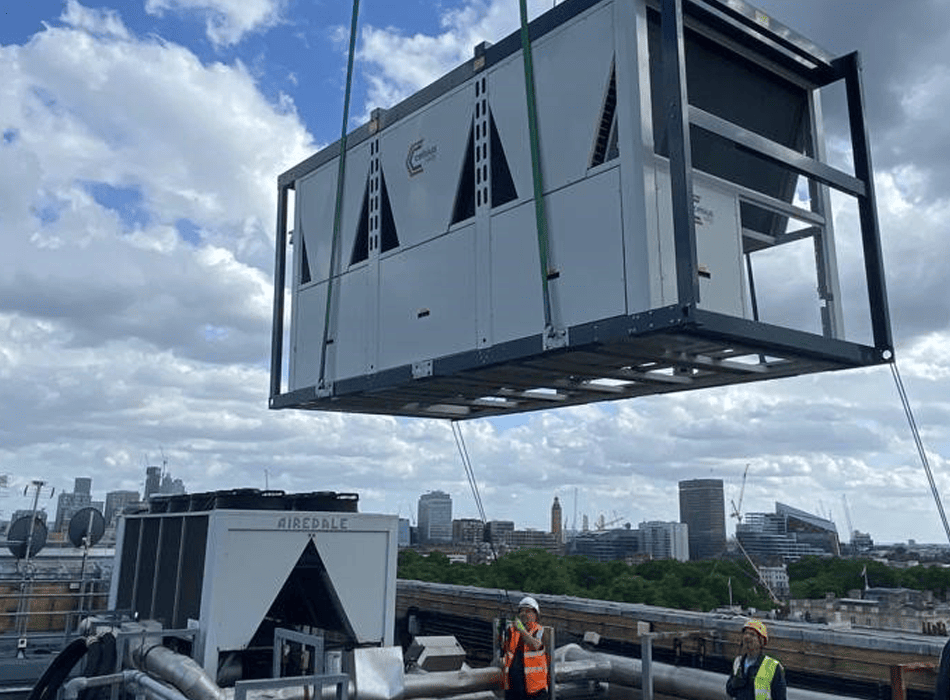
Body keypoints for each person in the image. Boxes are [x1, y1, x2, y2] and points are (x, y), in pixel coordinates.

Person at [502, 596, 549, 700]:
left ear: (535, 615)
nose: (524, 614)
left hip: (534, 690)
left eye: (528, 611)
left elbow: (536, 645)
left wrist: (522, 630)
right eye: (521, 611)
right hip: (513, 687)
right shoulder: (513, 631)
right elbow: (504, 649)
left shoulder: (540, 630)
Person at [726, 619, 787, 700]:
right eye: (745, 633)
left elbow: (780, 697)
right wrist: (733, 684)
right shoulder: (738, 662)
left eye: (752, 634)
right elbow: (730, 691)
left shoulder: (772, 666)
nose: (747, 637)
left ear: (761, 641)